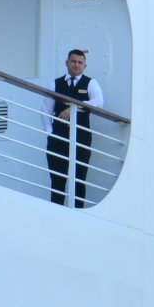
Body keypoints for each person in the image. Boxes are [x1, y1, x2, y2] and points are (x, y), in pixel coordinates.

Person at [46, 49, 103, 207]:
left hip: (81, 136)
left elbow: (98, 101)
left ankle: (78, 214)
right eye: (73, 61)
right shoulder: (56, 83)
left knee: (79, 178)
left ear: (84, 66)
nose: (76, 65)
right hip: (58, 136)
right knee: (57, 179)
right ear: (67, 63)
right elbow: (46, 110)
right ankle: (56, 211)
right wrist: (49, 133)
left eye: (80, 62)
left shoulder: (91, 83)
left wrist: (73, 108)